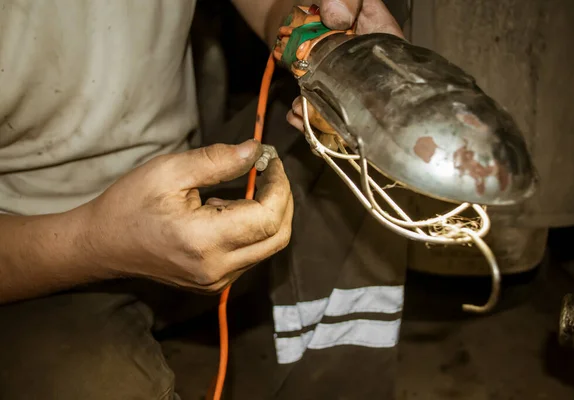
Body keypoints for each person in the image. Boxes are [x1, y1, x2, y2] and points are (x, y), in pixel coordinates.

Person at [0, 0, 405, 398]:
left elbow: (271, 10)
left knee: (360, 131)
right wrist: (94, 242)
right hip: (34, 250)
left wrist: (316, 32)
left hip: (189, 178)